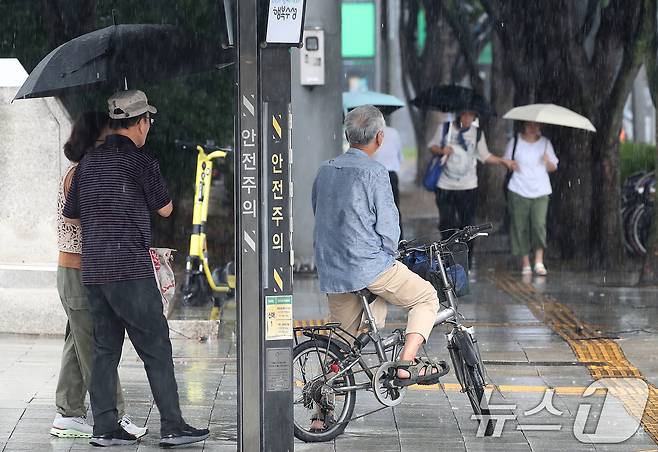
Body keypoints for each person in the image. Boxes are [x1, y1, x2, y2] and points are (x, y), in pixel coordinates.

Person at [63, 90, 209, 447]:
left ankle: (104, 428)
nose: (149, 128)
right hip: (130, 267)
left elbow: (71, 212)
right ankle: (173, 425)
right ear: (140, 122)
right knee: (156, 346)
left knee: (104, 350)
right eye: (149, 122)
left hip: (96, 271)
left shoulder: (89, 163)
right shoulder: (142, 162)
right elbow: (165, 209)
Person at [312, 105, 445, 431]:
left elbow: (319, 210)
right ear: (379, 137)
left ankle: (319, 415)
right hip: (369, 265)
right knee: (426, 297)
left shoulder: (325, 170)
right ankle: (406, 363)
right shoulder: (374, 172)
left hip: (333, 269)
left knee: (342, 343)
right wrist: (389, 251)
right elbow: (389, 228)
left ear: (347, 135)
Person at [51, 112, 147, 440]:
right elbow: (86, 222)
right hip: (79, 272)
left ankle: (68, 412)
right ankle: (113, 417)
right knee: (94, 346)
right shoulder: (82, 174)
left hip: (75, 271)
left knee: (76, 342)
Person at [428, 111, 516, 234]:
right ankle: (448, 251)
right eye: (464, 114)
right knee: (446, 223)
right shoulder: (445, 128)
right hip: (445, 185)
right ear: (459, 114)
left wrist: (503, 161)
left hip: (468, 186)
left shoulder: (477, 133)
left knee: (467, 224)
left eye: (471, 115)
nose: (467, 118)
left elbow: (485, 156)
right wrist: (442, 150)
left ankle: (467, 252)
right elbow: (432, 146)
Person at [503, 121, 558, 276]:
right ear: (524, 126)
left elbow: (554, 166)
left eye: (536, 126)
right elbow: (506, 160)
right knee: (520, 226)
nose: (533, 129)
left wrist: (548, 161)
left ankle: (539, 260)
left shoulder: (545, 143)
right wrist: (510, 164)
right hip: (518, 188)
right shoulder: (515, 141)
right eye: (530, 125)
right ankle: (525, 261)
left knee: (539, 224)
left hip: (541, 190)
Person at [373, 123, 404, 237]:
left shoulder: (370, 134)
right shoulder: (394, 132)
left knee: (375, 209)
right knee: (394, 208)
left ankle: (381, 238)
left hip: (375, 175)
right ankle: (399, 240)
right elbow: (400, 157)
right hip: (391, 175)